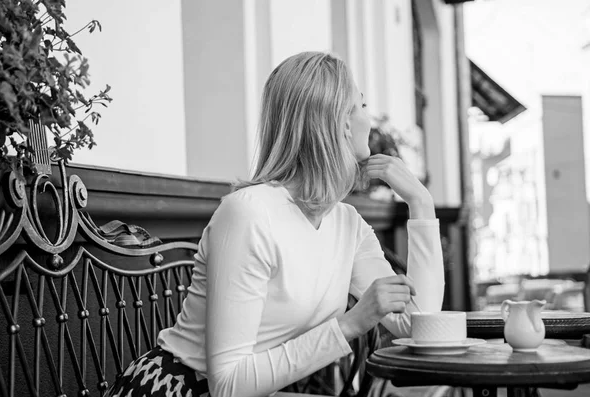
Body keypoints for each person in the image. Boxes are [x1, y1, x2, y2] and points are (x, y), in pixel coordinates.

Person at [106, 51, 444, 397]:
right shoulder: (249, 214)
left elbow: (420, 326)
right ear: (342, 121)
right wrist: (351, 324)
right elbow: (228, 385)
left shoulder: (347, 225)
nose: (369, 121)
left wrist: (420, 203)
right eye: (362, 105)